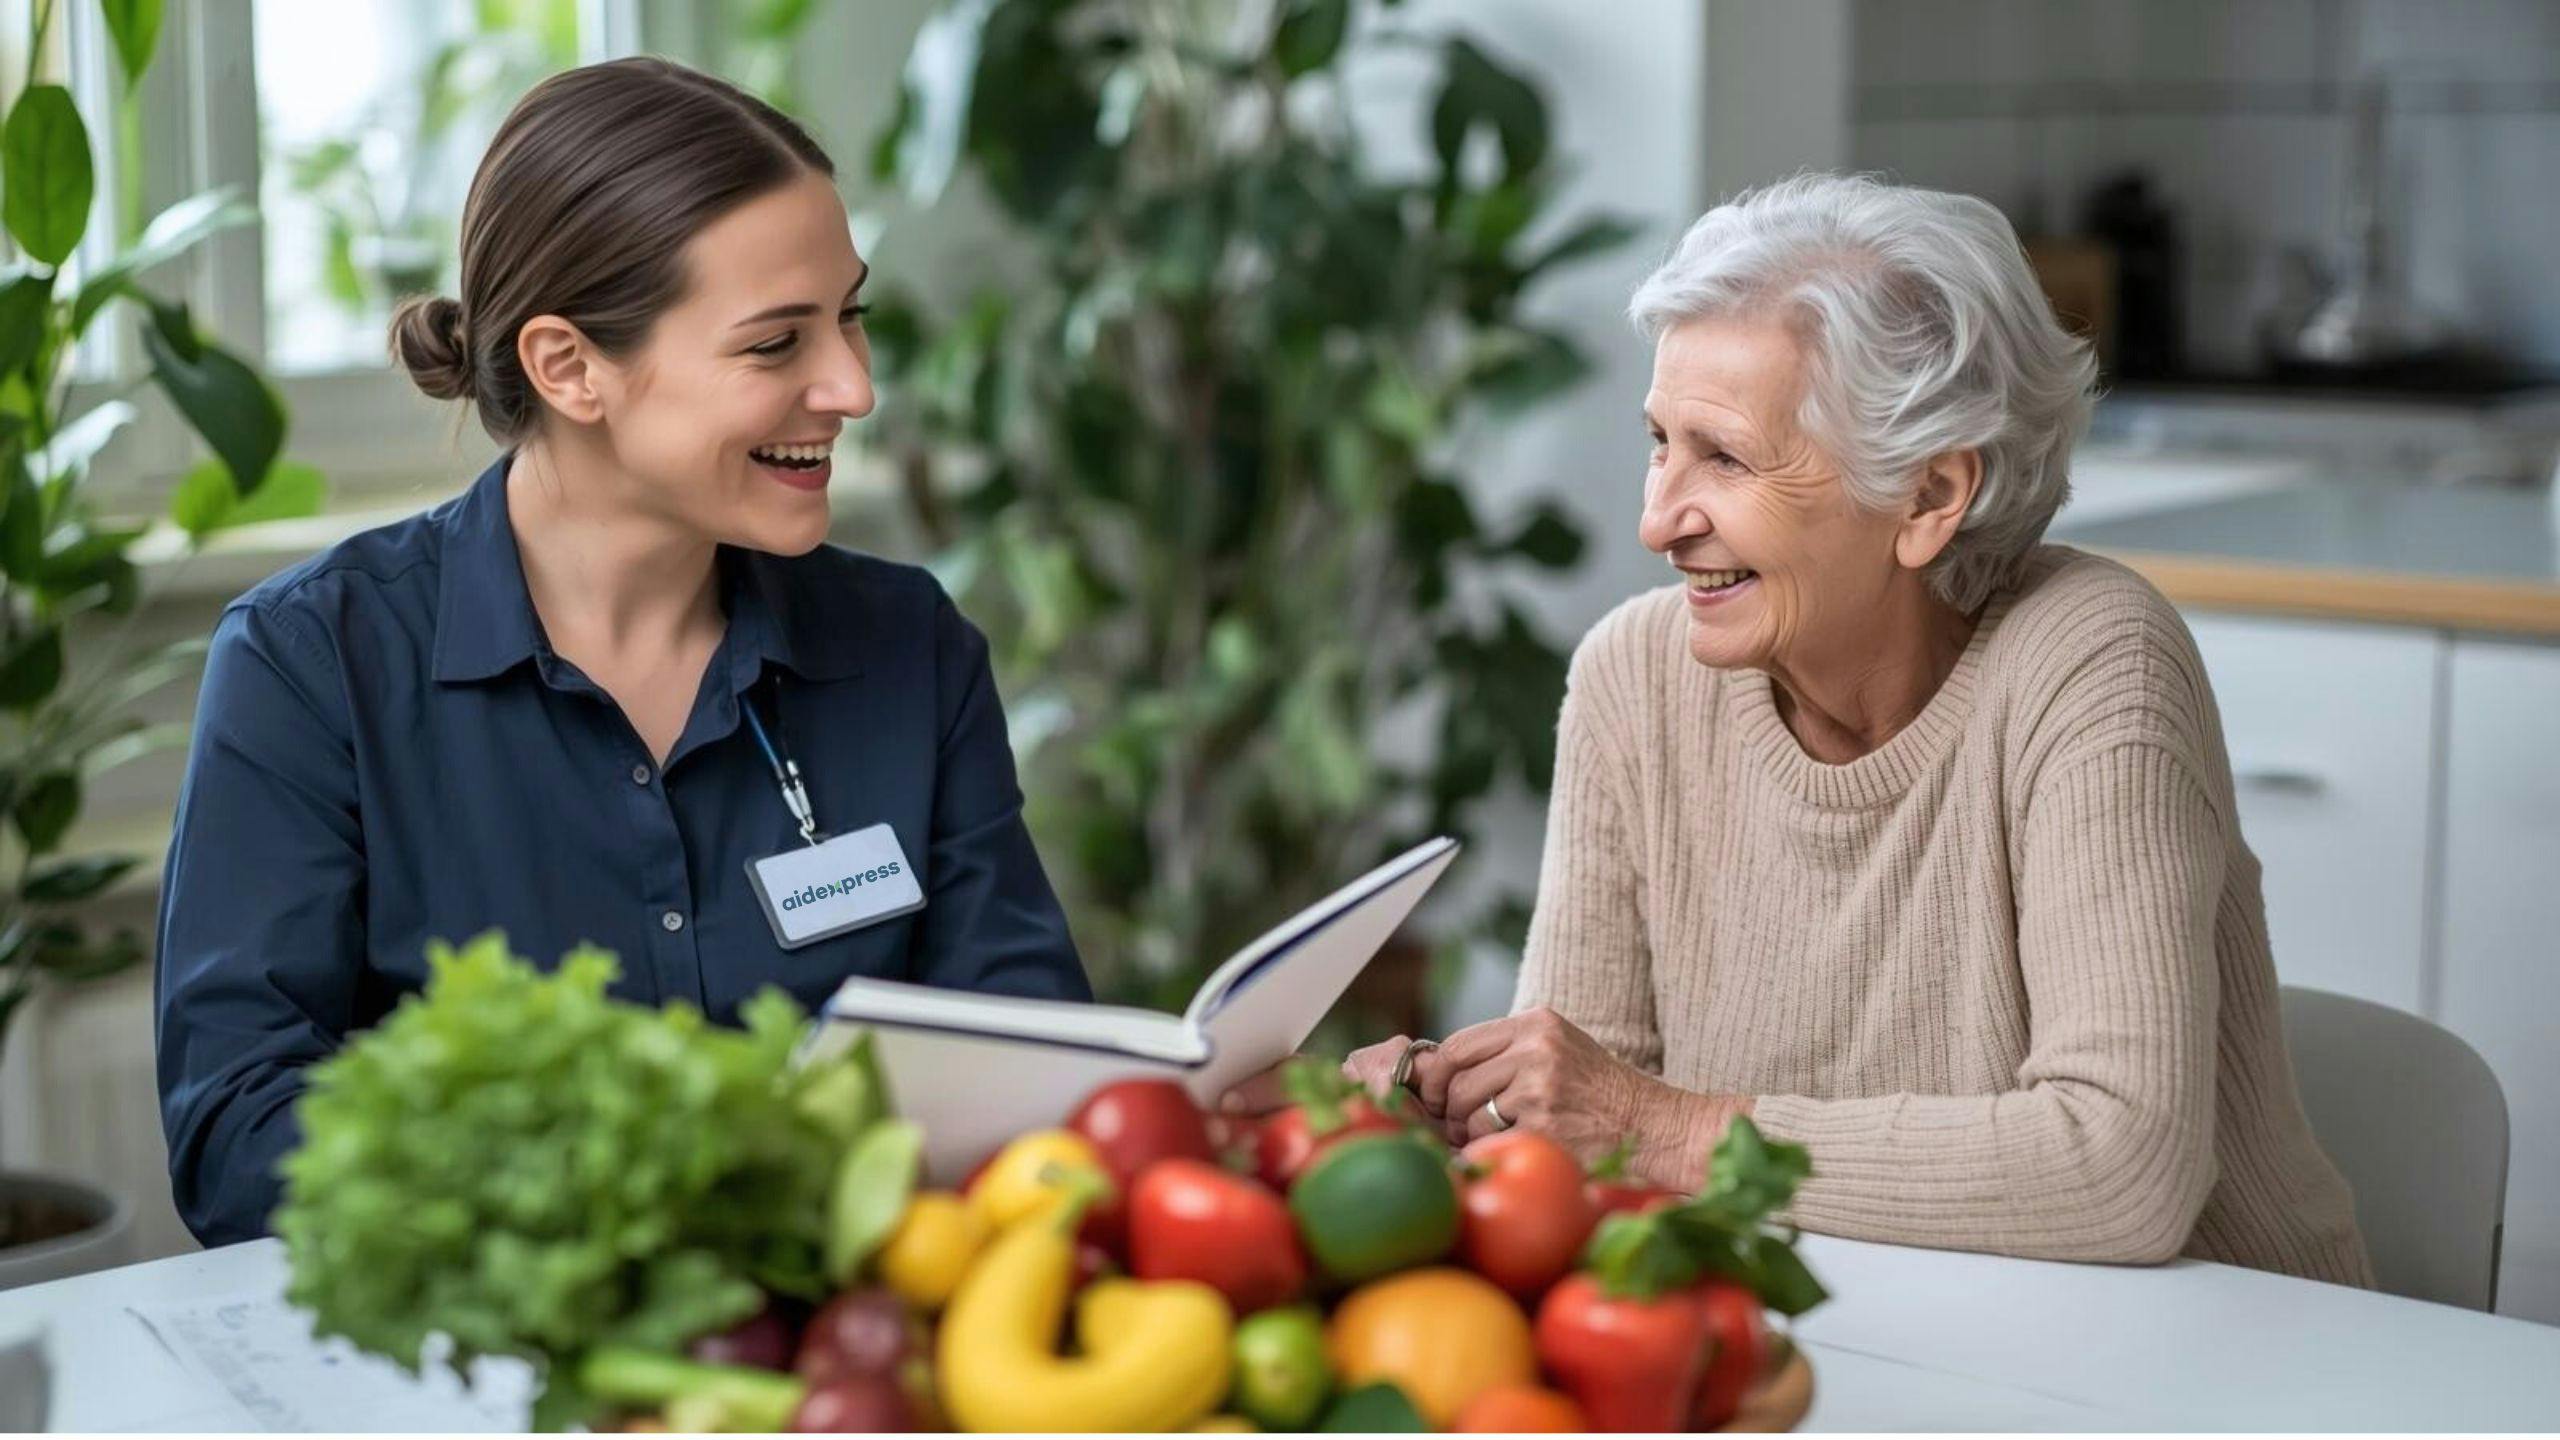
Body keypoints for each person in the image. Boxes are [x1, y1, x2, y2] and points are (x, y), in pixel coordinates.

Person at [1347, 174, 2371, 1285]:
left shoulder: (2092, 662)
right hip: (1865, 1326)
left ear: (1928, 496)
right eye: (1659, 442)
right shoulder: (1634, 678)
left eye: (1724, 457)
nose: (1656, 520)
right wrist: (1462, 1117)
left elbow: (2119, 1166)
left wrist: (1662, 1128)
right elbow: (1589, 1133)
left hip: (2222, 1347)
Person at [156, 58, 1088, 1248]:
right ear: (569, 368)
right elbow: (238, 1137)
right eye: (774, 344)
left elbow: (1030, 1049)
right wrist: (646, 1183)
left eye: (847, 315)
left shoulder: (909, 648)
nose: (852, 387)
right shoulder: (313, 666)